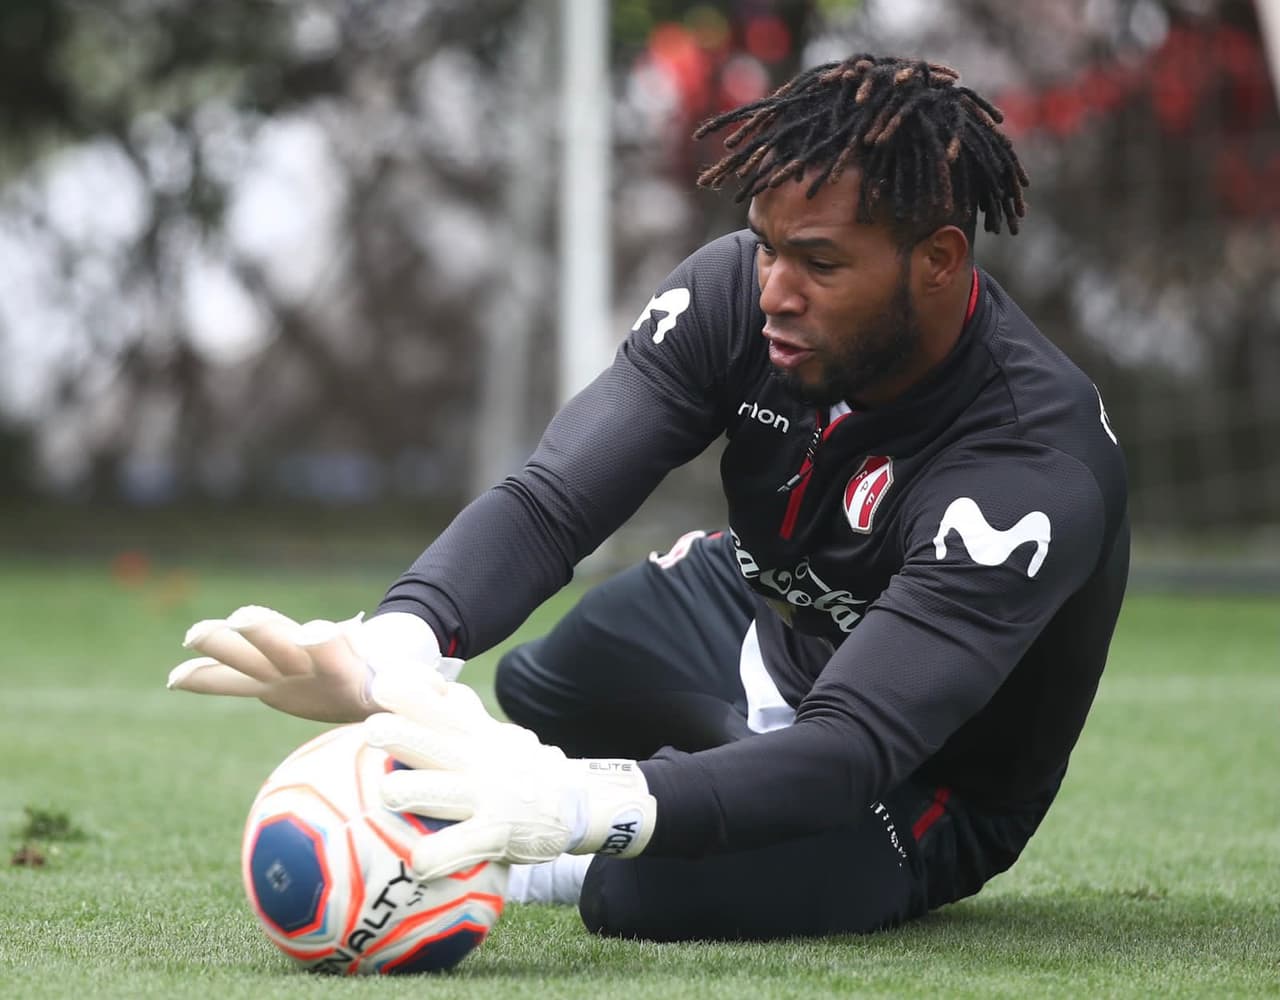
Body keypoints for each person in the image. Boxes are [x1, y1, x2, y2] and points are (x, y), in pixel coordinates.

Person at [169, 53, 1129, 942]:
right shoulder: (733, 295)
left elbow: (851, 744)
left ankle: (537, 841)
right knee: (544, 684)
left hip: (915, 774)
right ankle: (689, 771)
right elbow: (552, 500)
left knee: (637, 893)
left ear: (940, 260)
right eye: (766, 247)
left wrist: (572, 808)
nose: (774, 292)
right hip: (769, 620)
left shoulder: (1029, 473)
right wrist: (392, 649)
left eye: (820, 263)